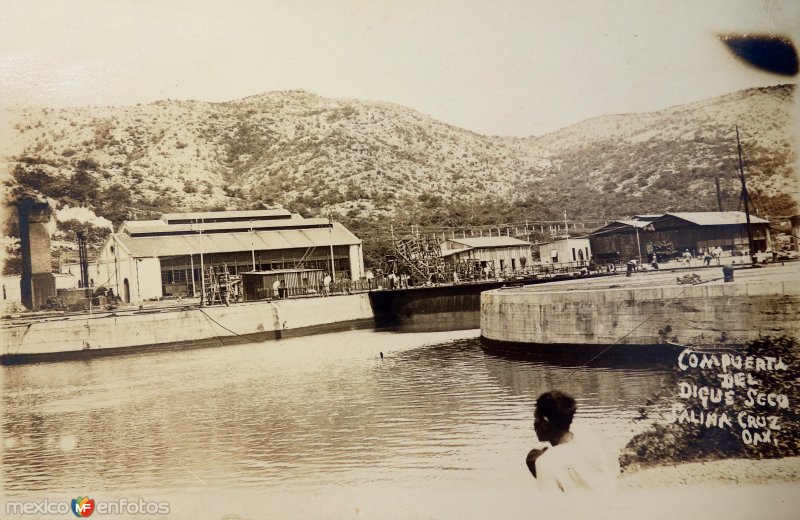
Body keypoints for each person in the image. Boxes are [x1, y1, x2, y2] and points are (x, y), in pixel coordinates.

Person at [526, 390, 619, 492]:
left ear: (545, 421)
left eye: (536, 419)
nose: (534, 424)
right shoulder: (589, 435)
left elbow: (551, 505)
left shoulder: (546, 461)